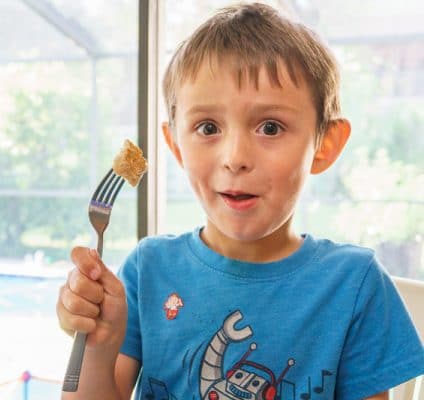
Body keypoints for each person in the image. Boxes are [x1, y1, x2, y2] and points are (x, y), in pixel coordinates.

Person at [56, 3, 424, 399]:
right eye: (208, 127)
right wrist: (97, 346)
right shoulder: (148, 272)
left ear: (325, 144)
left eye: (270, 127)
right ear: (176, 145)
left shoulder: (355, 284)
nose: (235, 157)